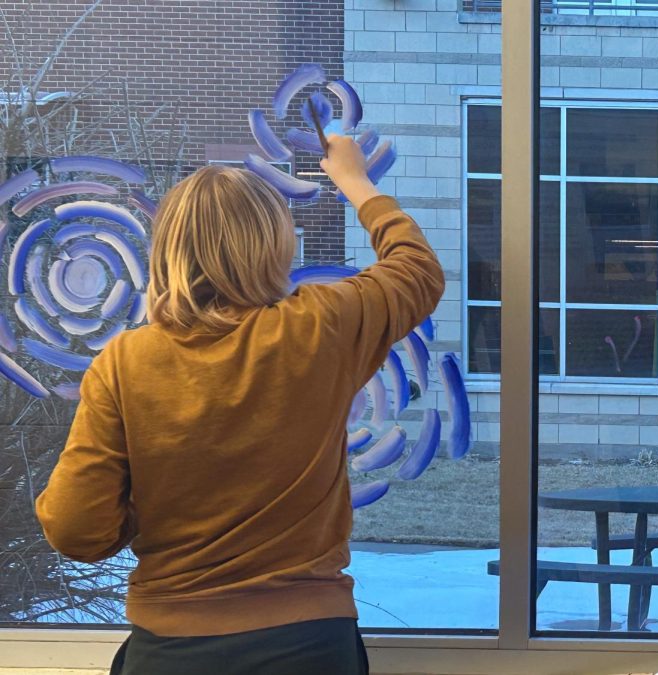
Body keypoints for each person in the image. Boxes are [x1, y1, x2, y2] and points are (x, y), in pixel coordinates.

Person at [36, 135, 444, 675]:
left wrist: (145, 509)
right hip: (312, 646)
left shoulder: (126, 362)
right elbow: (416, 270)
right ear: (275, 247)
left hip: (172, 650)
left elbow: (74, 529)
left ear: (169, 251)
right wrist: (355, 181)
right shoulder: (321, 326)